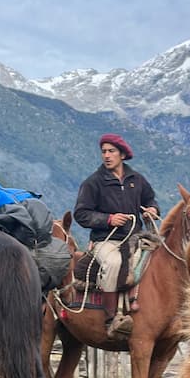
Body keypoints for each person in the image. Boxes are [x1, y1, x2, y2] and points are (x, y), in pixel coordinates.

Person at [73, 133, 159, 337]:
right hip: (106, 240)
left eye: (111, 151)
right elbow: (81, 214)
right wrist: (108, 219)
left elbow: (151, 200)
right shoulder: (93, 182)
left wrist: (152, 211)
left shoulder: (137, 180)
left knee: (159, 261)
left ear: (122, 154)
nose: (106, 155)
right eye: (103, 151)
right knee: (112, 263)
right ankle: (113, 318)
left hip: (136, 238)